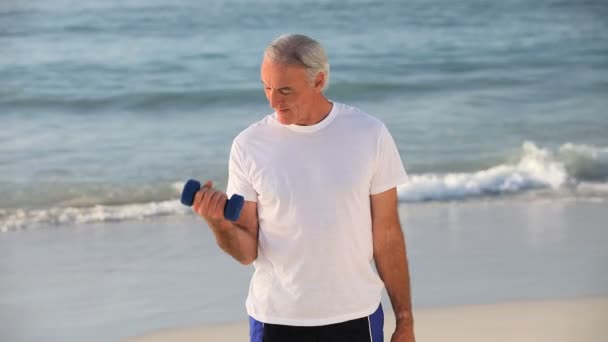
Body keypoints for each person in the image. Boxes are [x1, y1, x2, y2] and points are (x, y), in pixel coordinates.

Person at [192, 33, 415, 342]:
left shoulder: (369, 134)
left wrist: (404, 319)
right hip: (275, 319)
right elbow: (246, 252)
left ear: (319, 80)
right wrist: (217, 223)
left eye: (285, 90)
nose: (272, 101)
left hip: (354, 314)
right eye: (267, 87)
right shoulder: (248, 145)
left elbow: (388, 234)